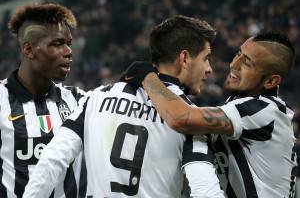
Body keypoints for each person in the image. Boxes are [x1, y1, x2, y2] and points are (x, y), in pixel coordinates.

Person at [23, 15, 225, 197]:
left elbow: (52, 160)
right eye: (206, 58)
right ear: (185, 58)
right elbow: (205, 190)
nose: (209, 69)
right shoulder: (190, 120)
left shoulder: (95, 97)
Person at [120, 31, 297, 197]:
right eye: (238, 54)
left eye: (247, 62)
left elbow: (182, 118)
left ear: (271, 81)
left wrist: (148, 76)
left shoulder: (266, 110)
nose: (233, 64)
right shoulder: (242, 106)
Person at [0, 3, 87, 197]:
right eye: (57, 44)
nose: (68, 51)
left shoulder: (79, 101)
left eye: (68, 44)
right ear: (29, 50)